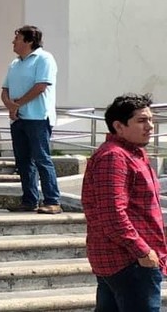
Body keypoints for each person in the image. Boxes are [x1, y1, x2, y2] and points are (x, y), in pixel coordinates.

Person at [82, 93, 167, 311]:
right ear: (118, 126)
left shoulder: (133, 153)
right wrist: (143, 251)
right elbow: (112, 215)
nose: (150, 126)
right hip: (128, 261)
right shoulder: (115, 157)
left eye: (150, 119)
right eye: (141, 121)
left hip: (125, 260)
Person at [1, 24, 61, 214]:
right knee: (23, 160)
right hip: (18, 119)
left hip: (38, 117)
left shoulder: (44, 58)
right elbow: (5, 89)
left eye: (17, 38)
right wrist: (10, 105)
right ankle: (29, 199)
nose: (13, 41)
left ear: (29, 41)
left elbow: (41, 86)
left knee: (41, 158)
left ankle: (52, 200)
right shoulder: (15, 63)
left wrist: (17, 104)